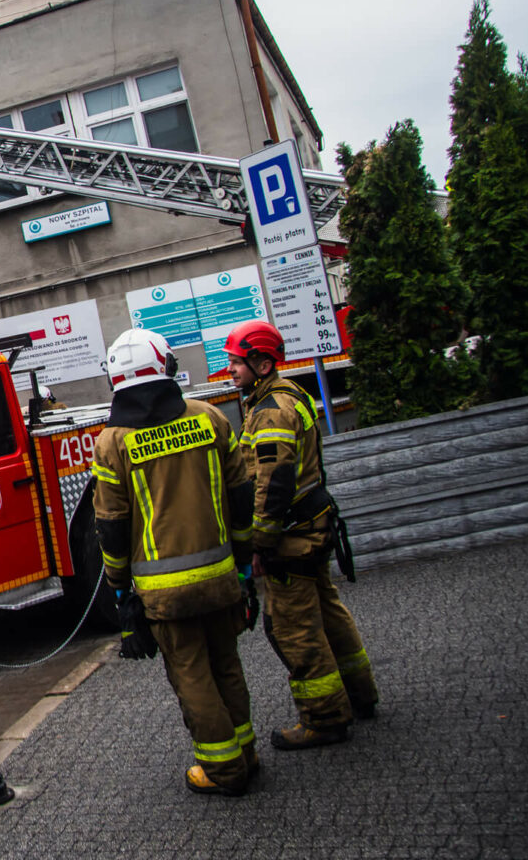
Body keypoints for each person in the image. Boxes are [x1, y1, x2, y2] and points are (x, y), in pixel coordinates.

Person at [92, 328, 257, 796]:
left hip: (163, 593)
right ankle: (246, 752)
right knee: (227, 664)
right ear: (165, 367)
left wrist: (119, 588)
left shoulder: (111, 443)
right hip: (222, 575)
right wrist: (243, 563)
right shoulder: (209, 419)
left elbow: (112, 525)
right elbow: (241, 496)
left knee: (192, 673)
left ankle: (224, 770)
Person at [225, 320, 379, 750]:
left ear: (261, 361)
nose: (230, 370)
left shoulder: (271, 409)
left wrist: (259, 541)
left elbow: (273, 482)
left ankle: (325, 719)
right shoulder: (290, 395)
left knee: (294, 628)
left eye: (237, 362)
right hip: (313, 528)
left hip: (291, 538)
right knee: (329, 614)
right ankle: (360, 695)